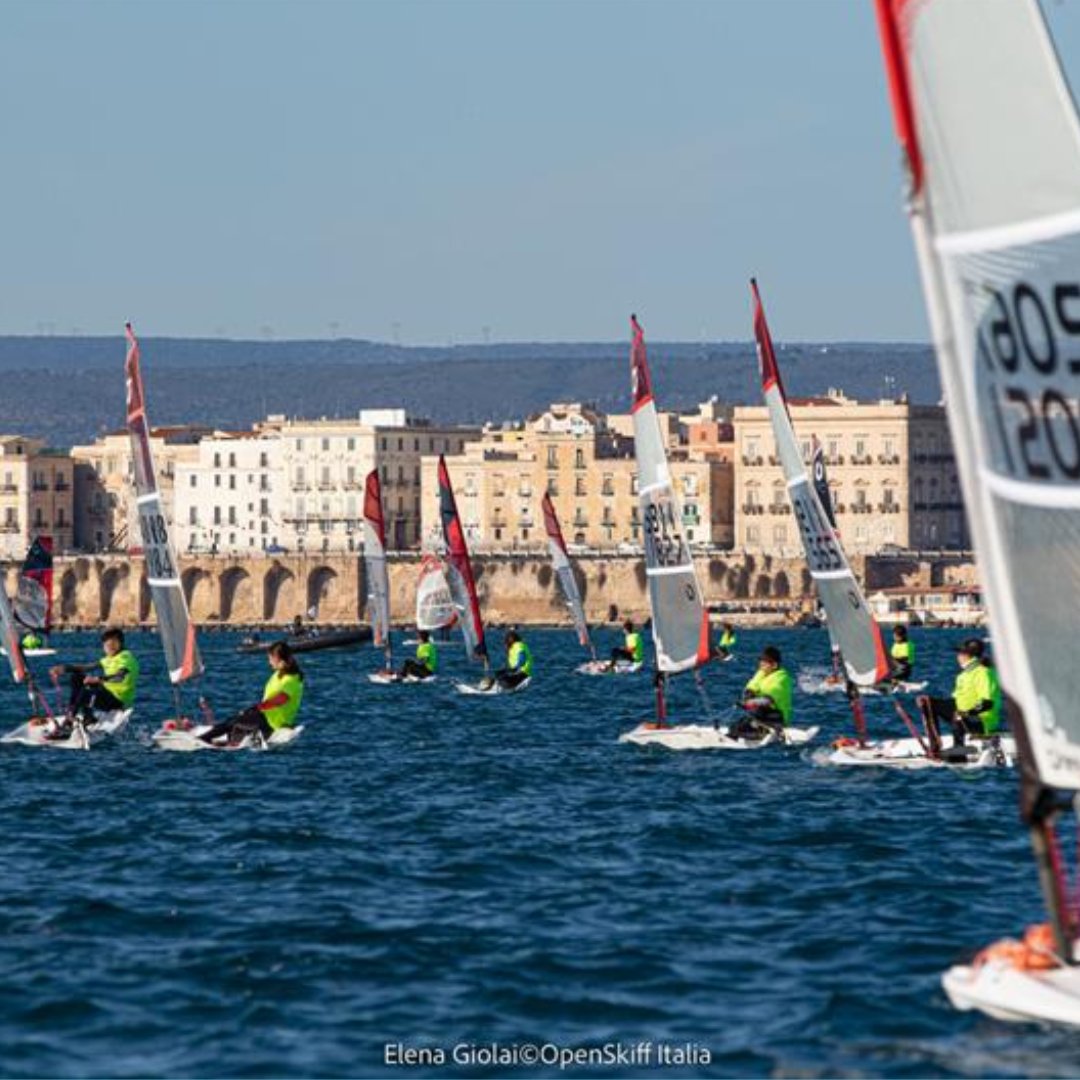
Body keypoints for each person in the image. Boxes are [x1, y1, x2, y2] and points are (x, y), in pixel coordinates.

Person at [199, 641, 304, 747]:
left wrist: (257, 707)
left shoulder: (291, 680)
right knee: (236, 720)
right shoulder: (278, 674)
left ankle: (202, 739)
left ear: (278, 659)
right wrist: (255, 709)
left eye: (271, 659)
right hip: (264, 716)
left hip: (271, 723)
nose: (269, 662)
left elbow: (280, 699)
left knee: (233, 722)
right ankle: (225, 743)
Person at [917, 638, 1001, 756]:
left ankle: (959, 749)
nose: (957, 656)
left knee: (959, 716)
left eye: (960, 653)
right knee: (928, 703)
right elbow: (955, 701)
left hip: (983, 721)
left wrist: (966, 713)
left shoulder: (984, 673)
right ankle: (935, 747)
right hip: (963, 716)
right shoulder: (963, 675)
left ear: (968, 655)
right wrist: (930, 702)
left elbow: (987, 703)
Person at [47, 628, 139, 735]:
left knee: (87, 692)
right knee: (77, 678)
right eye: (107, 645)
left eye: (113, 643)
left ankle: (69, 721)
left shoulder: (125, 658)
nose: (110, 647)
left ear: (120, 643)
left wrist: (97, 679)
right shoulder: (108, 658)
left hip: (118, 701)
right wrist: (64, 668)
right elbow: (86, 668)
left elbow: (119, 677)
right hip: (107, 693)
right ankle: (87, 717)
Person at [728, 646, 793, 741]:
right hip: (762, 714)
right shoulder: (762, 672)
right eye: (760, 660)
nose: (761, 664)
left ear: (774, 665)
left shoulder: (782, 678)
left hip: (777, 717)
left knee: (742, 727)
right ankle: (747, 731)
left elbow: (768, 700)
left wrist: (749, 703)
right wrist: (748, 694)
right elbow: (752, 685)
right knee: (735, 726)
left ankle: (767, 732)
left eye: (764, 661)